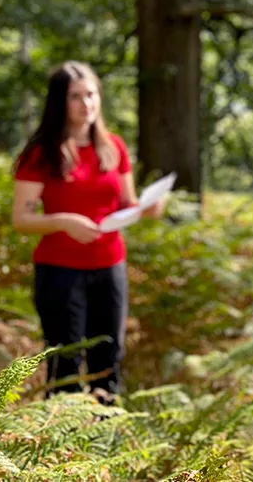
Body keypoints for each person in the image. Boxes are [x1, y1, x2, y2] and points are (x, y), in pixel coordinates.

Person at [11, 61, 165, 404]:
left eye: (91, 94)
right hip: (59, 272)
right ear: (59, 102)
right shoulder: (41, 153)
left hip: (110, 268)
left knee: (108, 363)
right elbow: (21, 219)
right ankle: (61, 436)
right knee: (64, 364)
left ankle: (105, 433)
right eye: (75, 97)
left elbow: (126, 203)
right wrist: (63, 221)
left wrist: (147, 208)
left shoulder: (114, 147)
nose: (86, 104)